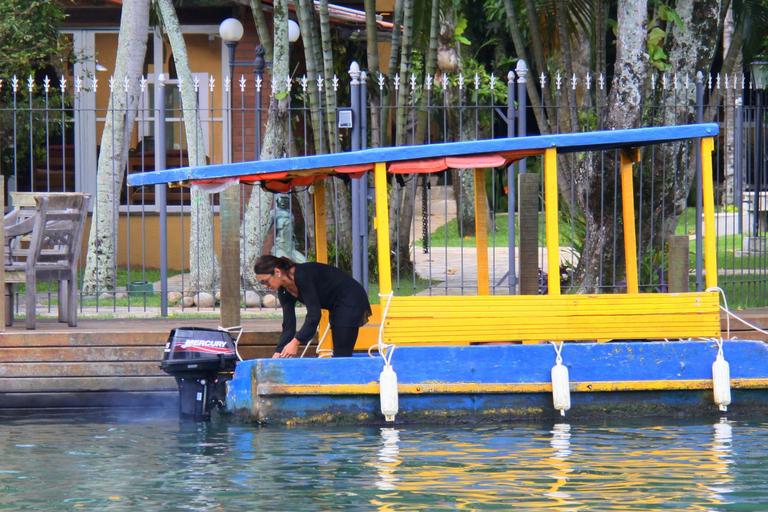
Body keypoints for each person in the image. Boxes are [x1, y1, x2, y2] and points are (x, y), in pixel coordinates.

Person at [254, 255, 372, 358]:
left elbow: (314, 315)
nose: (265, 286)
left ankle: (346, 382)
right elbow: (288, 324)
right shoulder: (284, 291)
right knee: (339, 353)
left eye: (265, 281)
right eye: (262, 283)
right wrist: (278, 351)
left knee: (342, 354)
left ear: (277, 272)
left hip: (351, 297)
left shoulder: (302, 275)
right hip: (335, 305)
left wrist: (295, 342)